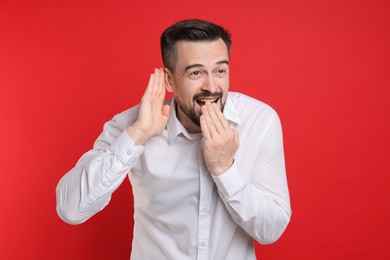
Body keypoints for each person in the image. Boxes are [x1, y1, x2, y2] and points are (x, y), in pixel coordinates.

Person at [56, 19, 291, 260]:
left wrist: (224, 169)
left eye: (220, 70)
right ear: (169, 80)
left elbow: (271, 230)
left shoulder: (260, 121)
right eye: (196, 72)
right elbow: (70, 209)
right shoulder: (134, 123)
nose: (211, 86)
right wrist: (138, 135)